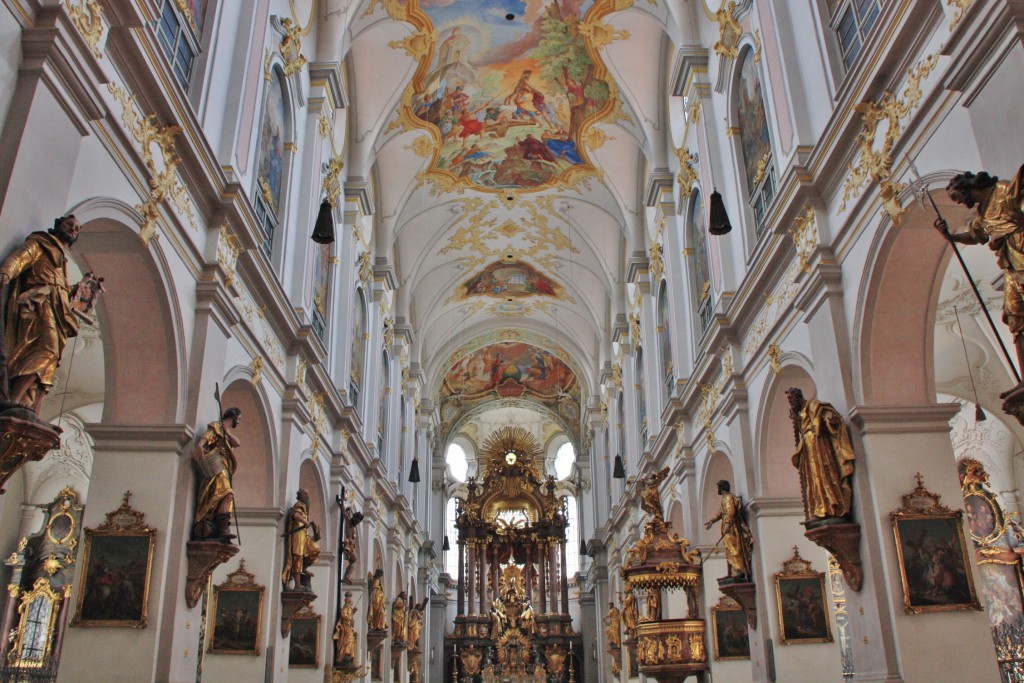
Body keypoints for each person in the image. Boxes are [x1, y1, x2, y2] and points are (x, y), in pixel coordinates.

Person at [938, 166, 1024, 398]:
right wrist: (950, 236)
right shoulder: (983, 214)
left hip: (1021, 250)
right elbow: (976, 236)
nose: (961, 202)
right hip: (1011, 263)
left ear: (969, 187)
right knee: (1014, 315)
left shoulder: (1004, 191)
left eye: (959, 196)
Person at [0, 215, 84, 413]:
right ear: (58, 226)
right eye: (70, 225)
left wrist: (77, 291)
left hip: (57, 309)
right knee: (47, 349)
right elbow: (20, 258)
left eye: (77, 229)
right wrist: (6, 271)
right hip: (38, 303)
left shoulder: (62, 257)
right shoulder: (41, 243)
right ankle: (14, 396)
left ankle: (33, 409)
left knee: (52, 360)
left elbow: (59, 288)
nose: (73, 230)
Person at [787, 388, 856, 526]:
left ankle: (833, 506)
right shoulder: (799, 412)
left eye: (791, 398)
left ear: (798, 396)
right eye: (789, 400)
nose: (790, 402)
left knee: (825, 475)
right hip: (808, 447)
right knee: (814, 479)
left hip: (819, 444)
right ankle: (819, 509)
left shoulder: (814, 405)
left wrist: (830, 420)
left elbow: (825, 413)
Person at [192, 407, 241, 543]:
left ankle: (222, 527)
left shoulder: (226, 432)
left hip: (225, 468)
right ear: (233, 417)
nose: (239, 422)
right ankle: (222, 527)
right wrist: (200, 446)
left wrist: (227, 433)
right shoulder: (216, 427)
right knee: (226, 493)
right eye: (239, 419)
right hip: (216, 467)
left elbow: (237, 443)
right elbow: (207, 436)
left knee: (226, 495)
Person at [704, 480, 754, 580]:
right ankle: (731, 572)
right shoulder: (724, 499)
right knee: (728, 548)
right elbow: (721, 512)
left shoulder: (728, 498)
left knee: (733, 547)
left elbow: (730, 512)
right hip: (727, 526)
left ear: (721, 488)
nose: (718, 489)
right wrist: (712, 521)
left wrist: (727, 524)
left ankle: (738, 570)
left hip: (731, 528)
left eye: (718, 487)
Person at [281, 489, 321, 590]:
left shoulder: (304, 508)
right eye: (305, 494)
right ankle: (297, 584)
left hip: (304, 534)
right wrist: (305, 522)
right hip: (298, 534)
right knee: (298, 557)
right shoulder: (299, 505)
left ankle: (304, 567)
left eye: (307, 494)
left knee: (314, 550)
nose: (307, 496)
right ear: (300, 495)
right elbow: (295, 515)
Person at [333, 591, 358, 664]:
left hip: (349, 627)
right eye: (349, 599)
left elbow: (349, 615)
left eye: (350, 599)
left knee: (351, 640)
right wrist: (350, 618)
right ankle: (344, 655)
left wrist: (354, 611)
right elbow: (343, 614)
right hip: (345, 627)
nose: (350, 600)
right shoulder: (346, 607)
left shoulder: (349, 608)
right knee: (347, 640)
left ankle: (348, 655)